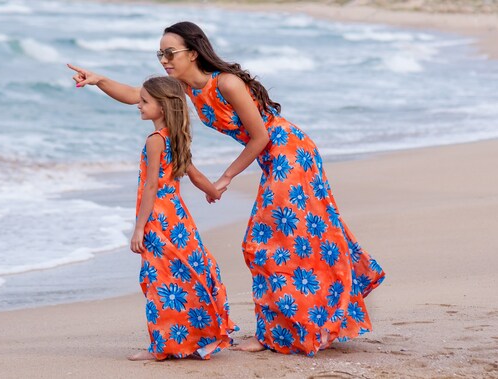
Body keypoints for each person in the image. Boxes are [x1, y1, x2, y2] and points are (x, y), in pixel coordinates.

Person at [68, 21, 385, 357]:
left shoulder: (228, 83)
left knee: (265, 242)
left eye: (170, 52)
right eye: (160, 53)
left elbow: (261, 136)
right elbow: (138, 95)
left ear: (192, 52)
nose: (164, 59)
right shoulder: (184, 87)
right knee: (288, 240)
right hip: (272, 159)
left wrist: (226, 178)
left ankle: (291, 328)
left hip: (290, 153)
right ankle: (289, 328)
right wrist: (98, 80)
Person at [127, 76, 236, 361]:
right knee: (185, 273)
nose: (138, 104)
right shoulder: (175, 138)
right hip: (178, 218)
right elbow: (194, 174)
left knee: (160, 280)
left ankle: (163, 346)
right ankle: (193, 337)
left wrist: (139, 228)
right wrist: (213, 191)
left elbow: (151, 186)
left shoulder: (154, 141)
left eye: (145, 101)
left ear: (162, 107)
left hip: (158, 220)